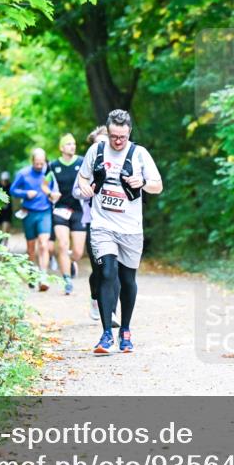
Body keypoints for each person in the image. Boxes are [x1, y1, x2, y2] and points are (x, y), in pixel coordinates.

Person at [76, 109, 163, 355]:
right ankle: (106, 334)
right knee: (106, 272)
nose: (117, 141)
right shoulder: (97, 151)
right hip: (103, 225)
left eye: (122, 137)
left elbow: (158, 185)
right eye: (114, 136)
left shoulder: (140, 154)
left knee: (127, 280)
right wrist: (86, 189)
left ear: (129, 132)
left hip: (131, 229)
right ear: (108, 131)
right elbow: (83, 179)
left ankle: (125, 331)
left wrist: (142, 183)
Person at [73, 126, 119, 327]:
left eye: (104, 142)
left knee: (114, 269)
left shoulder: (120, 162)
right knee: (100, 270)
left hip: (118, 223)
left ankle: (112, 311)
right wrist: (86, 191)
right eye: (97, 143)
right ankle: (95, 298)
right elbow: (75, 191)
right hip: (93, 222)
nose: (101, 146)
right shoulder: (87, 165)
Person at [10, 148, 57, 291]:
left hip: (45, 212)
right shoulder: (23, 173)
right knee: (31, 248)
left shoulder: (48, 173)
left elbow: (54, 190)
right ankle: (32, 274)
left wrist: (54, 195)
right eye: (37, 163)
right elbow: (12, 190)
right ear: (32, 161)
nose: (39, 166)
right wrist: (25, 193)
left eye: (42, 163)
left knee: (43, 244)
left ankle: (43, 277)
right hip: (29, 213)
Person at [47, 133, 86, 295]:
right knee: (62, 245)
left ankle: (70, 263)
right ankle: (67, 281)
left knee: (77, 252)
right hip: (60, 209)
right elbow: (43, 184)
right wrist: (50, 193)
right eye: (69, 144)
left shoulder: (82, 162)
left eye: (74, 144)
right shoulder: (53, 165)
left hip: (79, 210)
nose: (73, 146)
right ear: (62, 148)